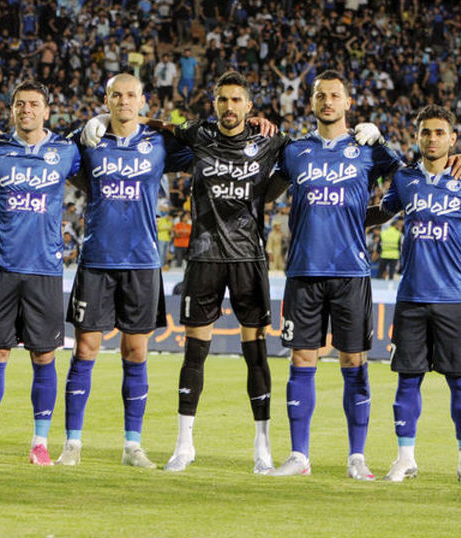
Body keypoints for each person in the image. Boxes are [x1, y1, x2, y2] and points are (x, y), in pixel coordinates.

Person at [269, 70, 400, 479]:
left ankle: (356, 457)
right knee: (301, 358)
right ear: (311, 103)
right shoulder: (295, 152)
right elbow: (262, 190)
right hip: (305, 270)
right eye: (320, 95)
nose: (328, 101)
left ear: (348, 102)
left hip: (351, 271)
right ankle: (298, 456)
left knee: (353, 360)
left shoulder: (365, 150)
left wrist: (382, 141)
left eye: (335, 95)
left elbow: (408, 179)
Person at [58, 73, 192, 468]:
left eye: (131, 95)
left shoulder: (157, 144)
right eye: (116, 95)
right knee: (85, 349)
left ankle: (133, 445)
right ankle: (72, 444)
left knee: (136, 351)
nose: (123, 101)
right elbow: (49, 148)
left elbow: (199, 142)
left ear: (142, 99)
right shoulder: (90, 142)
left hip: (142, 262)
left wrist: (156, 124)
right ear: (106, 99)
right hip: (97, 259)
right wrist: (83, 126)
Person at [160, 71, 290, 474]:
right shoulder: (198, 135)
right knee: (194, 352)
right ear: (214, 104)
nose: (229, 107)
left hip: (249, 257)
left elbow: (304, 155)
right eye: (223, 100)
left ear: (250, 107)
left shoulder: (270, 140)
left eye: (237, 101)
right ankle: (184, 446)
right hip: (204, 255)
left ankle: (262, 449)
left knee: (256, 354)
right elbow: (159, 129)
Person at [368, 105, 461, 484]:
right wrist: (343, 216)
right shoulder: (404, 180)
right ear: (417, 137)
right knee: (407, 381)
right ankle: (405, 458)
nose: (432, 139)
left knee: (460, 382)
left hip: (456, 299)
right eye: (426, 132)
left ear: (452, 139)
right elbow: (383, 211)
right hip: (412, 296)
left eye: (439, 132)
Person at [0, 81, 81, 465]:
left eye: (34, 104)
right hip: (2, 266)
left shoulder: (66, 150)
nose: (26, 110)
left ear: (46, 111)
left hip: (45, 270)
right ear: (12, 110)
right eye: (20, 104)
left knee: (44, 357)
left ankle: (39, 443)